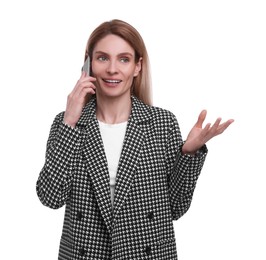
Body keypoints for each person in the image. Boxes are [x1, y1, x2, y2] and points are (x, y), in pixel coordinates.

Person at [36, 19, 234, 260]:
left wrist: (188, 153)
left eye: (123, 59)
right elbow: (51, 197)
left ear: (137, 66)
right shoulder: (67, 123)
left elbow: (175, 207)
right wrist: (70, 121)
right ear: (87, 65)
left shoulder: (161, 123)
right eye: (102, 58)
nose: (112, 69)